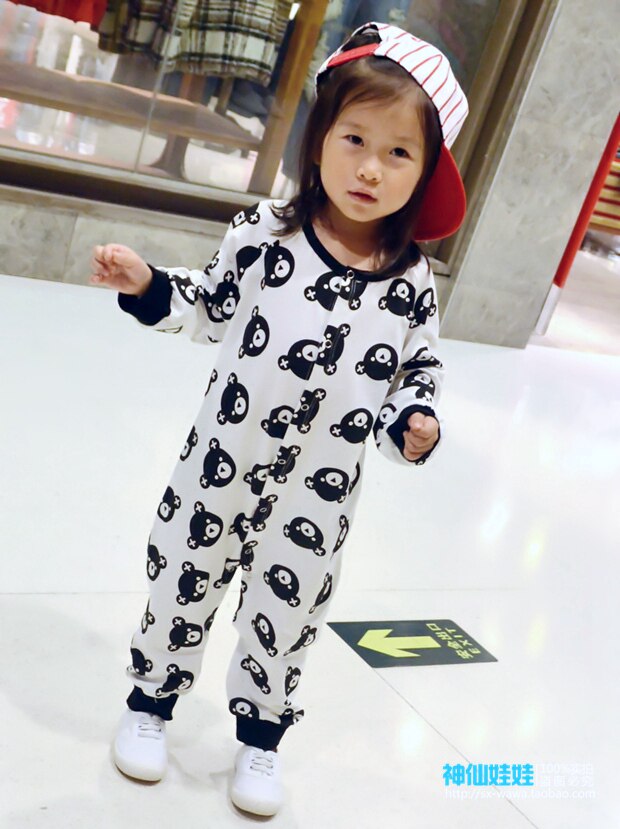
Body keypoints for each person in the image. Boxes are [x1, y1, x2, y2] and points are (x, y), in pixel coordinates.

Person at [90, 21, 468, 818]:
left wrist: (415, 421)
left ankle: (260, 738)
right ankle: (150, 703)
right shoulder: (267, 234)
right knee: (183, 576)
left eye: (399, 152)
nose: (370, 167)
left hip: (316, 495)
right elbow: (210, 305)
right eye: (354, 138)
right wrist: (149, 284)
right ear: (319, 137)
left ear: (427, 171)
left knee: (288, 612)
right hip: (221, 462)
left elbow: (415, 375)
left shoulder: (410, 283)